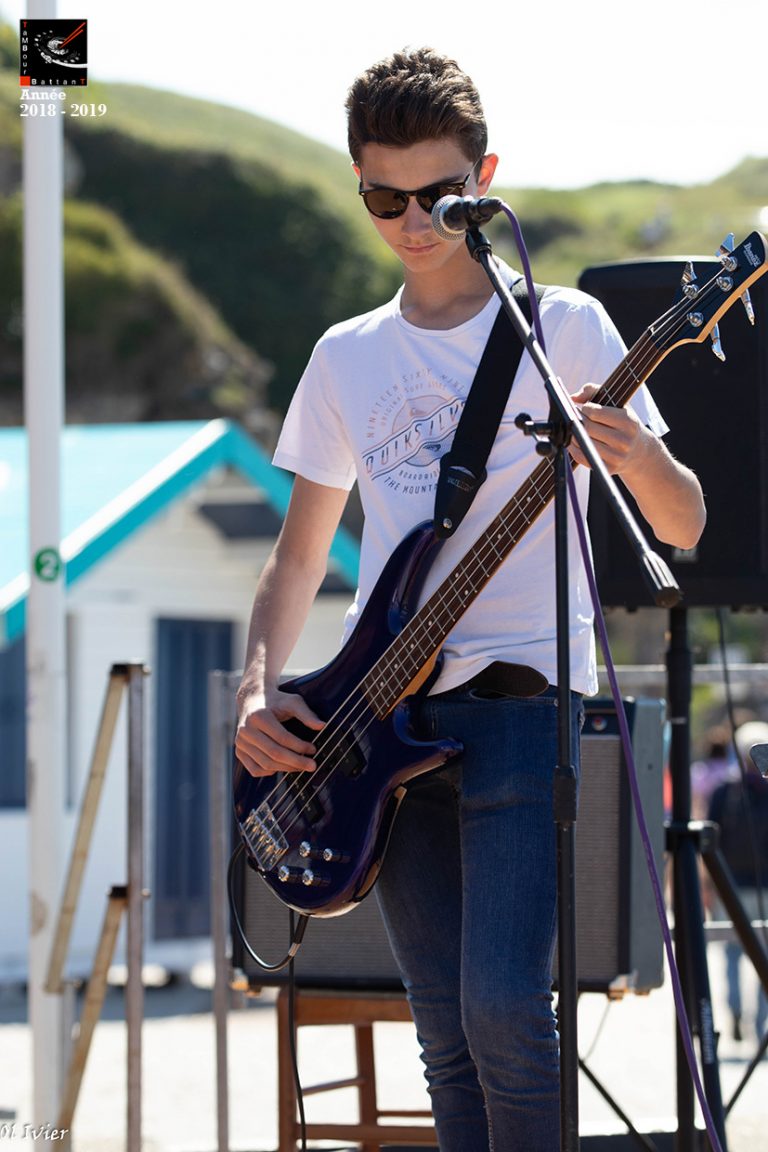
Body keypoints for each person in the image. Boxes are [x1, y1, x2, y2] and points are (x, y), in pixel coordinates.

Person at [234, 47, 706, 1151]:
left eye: (437, 197)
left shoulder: (569, 328)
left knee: (504, 1011)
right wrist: (256, 692)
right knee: (443, 1031)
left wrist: (636, 456)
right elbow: (297, 560)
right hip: (375, 718)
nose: (411, 222)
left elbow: (683, 524)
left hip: (524, 711)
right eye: (382, 199)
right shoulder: (346, 355)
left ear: (484, 180)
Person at [707, 721, 768, 1044]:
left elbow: (709, 843)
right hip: (766, 889)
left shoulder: (723, 791)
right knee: (765, 958)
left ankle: (734, 1010)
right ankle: (760, 1025)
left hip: (729, 885)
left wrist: (708, 886)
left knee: (731, 953)